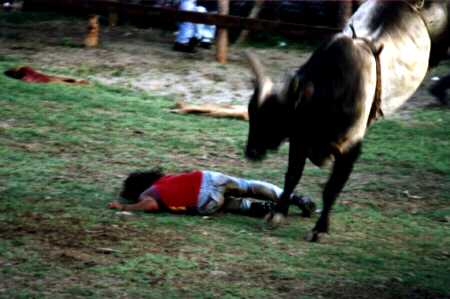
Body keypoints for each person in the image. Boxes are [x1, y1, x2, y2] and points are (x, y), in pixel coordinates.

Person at [108, 169, 316, 218]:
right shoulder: (164, 181)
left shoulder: (149, 192)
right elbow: (151, 204)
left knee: (230, 205)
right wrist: (126, 208)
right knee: (249, 186)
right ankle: (294, 198)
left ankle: (266, 209)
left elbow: (151, 204)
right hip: (208, 179)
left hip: (205, 202)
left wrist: (126, 206)